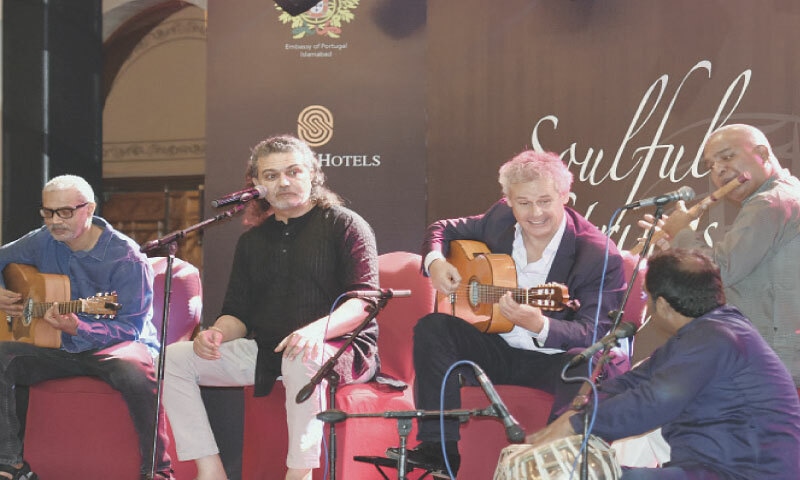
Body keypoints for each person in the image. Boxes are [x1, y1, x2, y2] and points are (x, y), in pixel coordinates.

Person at [388, 150, 628, 475]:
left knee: (587, 362)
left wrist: (540, 324)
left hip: (556, 361)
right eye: (524, 203)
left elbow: (595, 333)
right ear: (508, 201)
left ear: (565, 197)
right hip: (500, 350)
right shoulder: (500, 219)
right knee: (433, 327)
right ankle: (438, 449)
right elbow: (441, 229)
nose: (535, 212)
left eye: (545, 201)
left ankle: (553, 466)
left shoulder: (596, 253)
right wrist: (437, 262)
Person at [162, 134, 380, 480]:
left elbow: (365, 303)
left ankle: (299, 473)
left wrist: (314, 332)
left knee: (300, 353)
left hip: (339, 348)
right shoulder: (252, 242)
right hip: (268, 350)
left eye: (293, 171)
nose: (284, 182)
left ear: (312, 174)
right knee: (172, 359)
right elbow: (238, 312)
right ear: (258, 185)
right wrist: (217, 333)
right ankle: (210, 469)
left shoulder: (344, 224)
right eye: (271, 175)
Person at [526, 248, 800, 479]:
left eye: (647, 297)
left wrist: (577, 425)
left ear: (665, 305)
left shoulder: (717, 339)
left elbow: (653, 401)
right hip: (713, 467)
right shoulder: (710, 333)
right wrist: (576, 413)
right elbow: (634, 382)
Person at [0, 175, 173, 480]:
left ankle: (157, 470)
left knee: (133, 372)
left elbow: (131, 326)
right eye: (48, 212)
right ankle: (11, 465)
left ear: (89, 209)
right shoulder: (42, 240)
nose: (55, 221)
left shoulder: (126, 257)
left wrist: (79, 327)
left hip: (114, 345)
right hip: (59, 344)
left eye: (64, 212)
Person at [639, 123, 800, 385]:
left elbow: (720, 272)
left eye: (727, 157)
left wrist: (682, 233)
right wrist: (674, 244)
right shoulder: (784, 195)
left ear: (763, 154)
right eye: (710, 165)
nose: (718, 169)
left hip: (776, 363)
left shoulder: (769, 201)